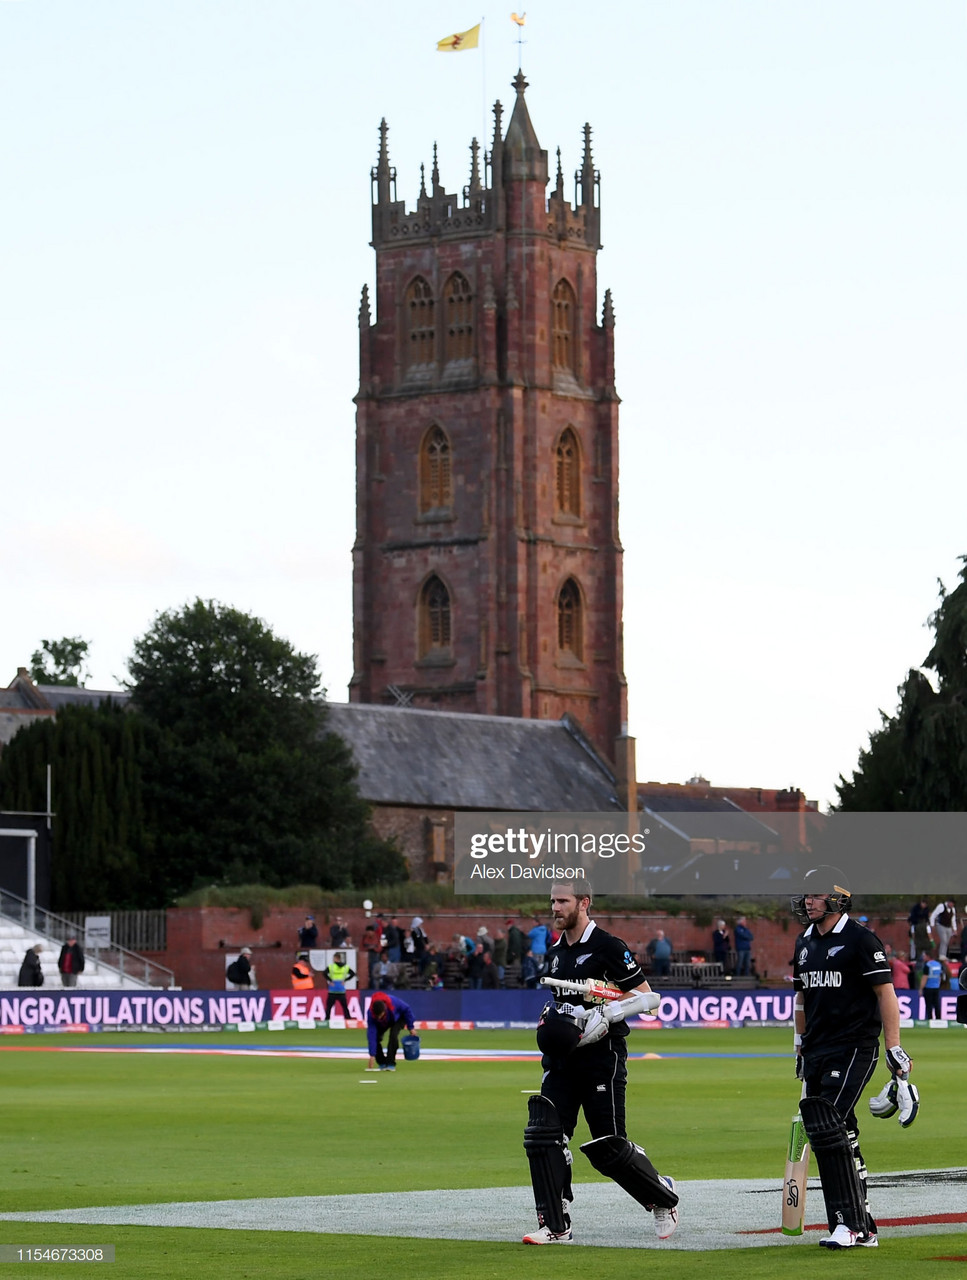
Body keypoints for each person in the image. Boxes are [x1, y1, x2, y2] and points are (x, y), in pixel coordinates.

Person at [521, 880, 678, 1245]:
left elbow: (649, 999)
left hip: (601, 1057)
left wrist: (607, 1014)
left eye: (563, 901)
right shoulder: (557, 950)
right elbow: (561, 1003)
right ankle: (555, 1225)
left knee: (608, 1146)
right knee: (544, 1135)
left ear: (584, 903)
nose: (555, 908)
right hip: (561, 1059)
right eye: (552, 901)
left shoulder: (608, 946)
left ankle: (662, 1196)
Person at [791, 865, 917, 1250]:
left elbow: (886, 995)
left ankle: (848, 1226)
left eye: (816, 895)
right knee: (840, 1132)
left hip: (854, 1047)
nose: (808, 901)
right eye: (807, 895)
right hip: (816, 1048)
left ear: (837, 897)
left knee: (827, 1127)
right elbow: (801, 999)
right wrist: (798, 1043)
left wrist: (894, 1048)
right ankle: (864, 1227)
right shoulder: (804, 942)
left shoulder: (862, 940)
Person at [365, 991, 415, 1071]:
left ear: (384, 1010)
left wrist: (411, 1027)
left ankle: (391, 1063)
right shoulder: (371, 1014)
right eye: (377, 1017)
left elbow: (407, 1009)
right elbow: (371, 1034)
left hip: (398, 1018)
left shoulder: (393, 1002)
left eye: (381, 1015)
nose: (379, 1018)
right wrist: (372, 1055)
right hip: (384, 1022)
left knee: (393, 1036)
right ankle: (382, 1062)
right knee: (376, 1038)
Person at [918, 942, 948, 1020]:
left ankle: (930, 1019)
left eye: (924, 956)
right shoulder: (938, 964)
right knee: (936, 1004)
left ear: (928, 956)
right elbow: (940, 977)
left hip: (928, 988)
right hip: (936, 987)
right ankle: (938, 1019)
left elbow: (925, 978)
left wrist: (921, 988)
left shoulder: (927, 965)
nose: (923, 957)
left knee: (929, 1005)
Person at [323, 951, 356, 1019]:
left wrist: (330, 980)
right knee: (344, 1006)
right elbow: (352, 973)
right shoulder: (345, 967)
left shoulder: (331, 967)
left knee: (329, 1006)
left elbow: (324, 973)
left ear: (335, 958)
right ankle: (348, 1019)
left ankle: (327, 1020)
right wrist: (345, 980)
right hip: (341, 990)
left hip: (332, 990)